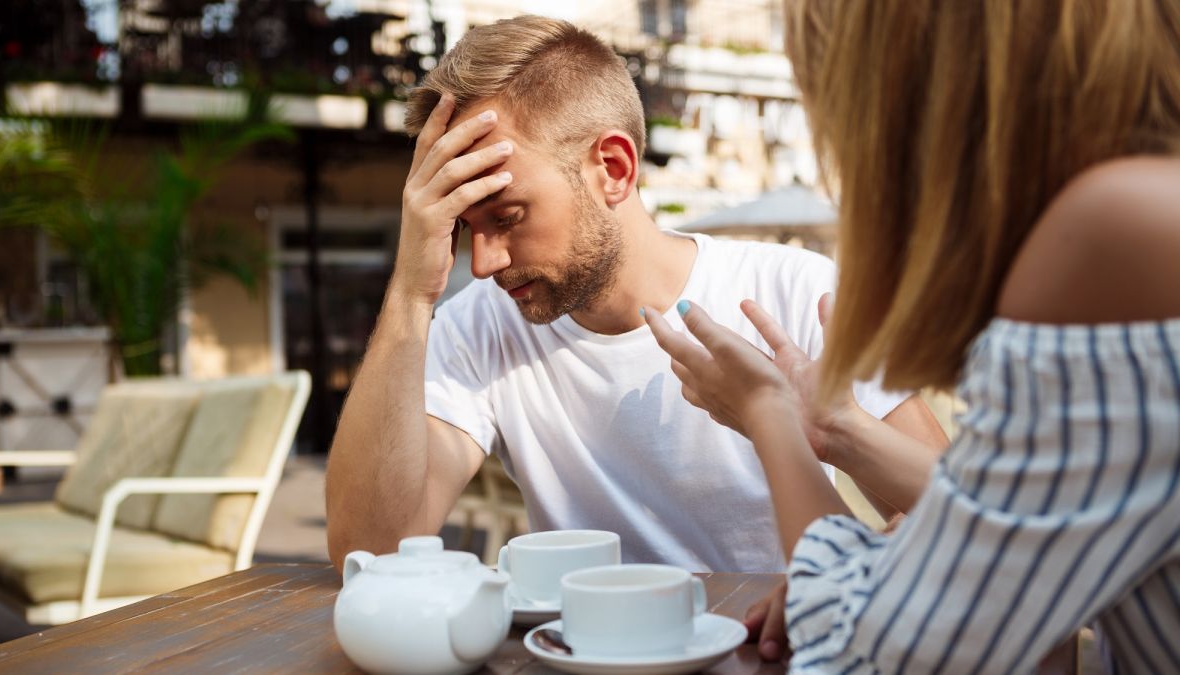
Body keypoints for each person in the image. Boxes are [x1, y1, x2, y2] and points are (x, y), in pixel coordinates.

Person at [646, 0, 1180, 670]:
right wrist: (833, 428)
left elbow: (879, 646)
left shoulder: (1109, 238)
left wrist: (767, 413)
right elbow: (1005, 529)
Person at [325, 15, 947, 576]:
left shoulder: (792, 293)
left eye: (508, 216)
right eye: (465, 229)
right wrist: (411, 292)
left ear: (614, 169)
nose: (483, 263)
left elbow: (959, 520)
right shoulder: (478, 328)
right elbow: (370, 553)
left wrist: (851, 574)